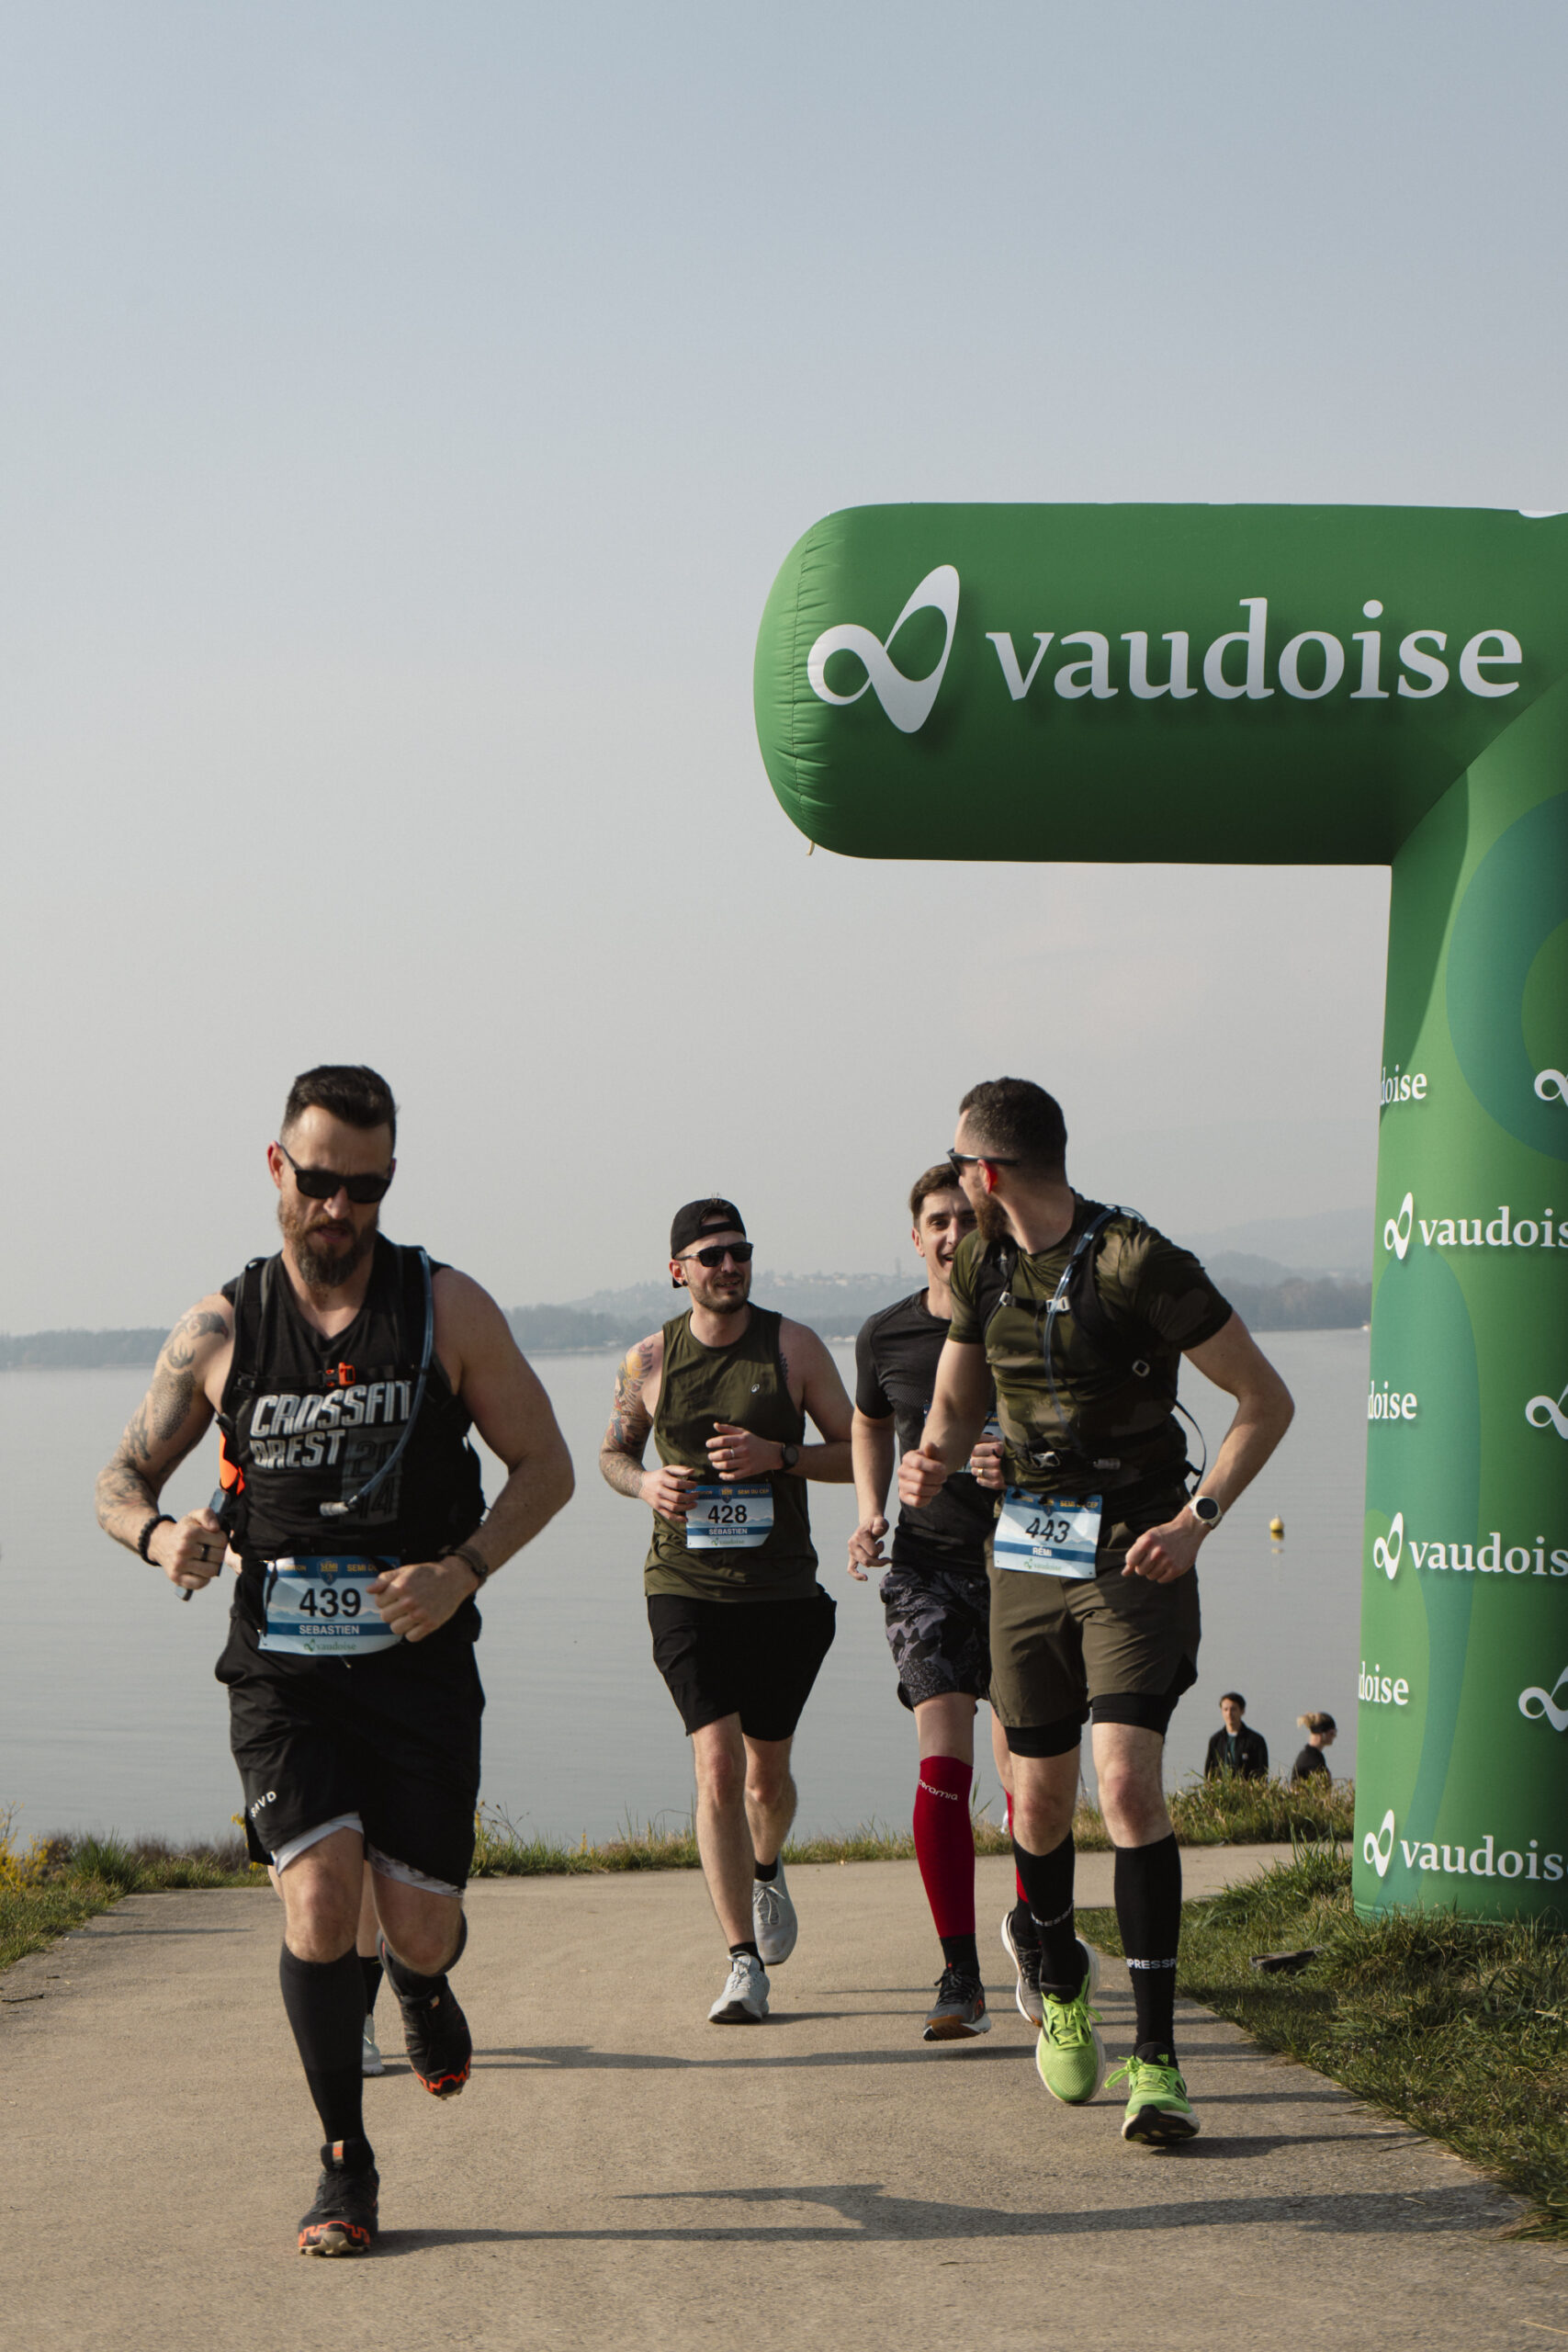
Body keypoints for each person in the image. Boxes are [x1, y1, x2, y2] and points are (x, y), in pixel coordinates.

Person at [95, 1066, 573, 2257]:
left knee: (417, 1926)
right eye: (317, 1182)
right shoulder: (221, 1329)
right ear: (277, 1168)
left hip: (417, 1664)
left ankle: (420, 1981)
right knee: (317, 1899)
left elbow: (548, 1467)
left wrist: (462, 1569)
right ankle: (344, 2164)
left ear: (388, 1181)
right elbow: (119, 1479)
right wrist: (159, 1536)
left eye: (363, 1188)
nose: (337, 1209)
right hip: (282, 1671)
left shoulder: (446, 1308)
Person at [899, 1078, 1294, 2145]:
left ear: (987, 1172)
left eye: (959, 1164)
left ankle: (1157, 2062)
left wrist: (1198, 1519)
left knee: (1123, 1785)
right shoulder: (981, 1265)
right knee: (1036, 1807)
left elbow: (1265, 1401)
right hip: (1027, 1551)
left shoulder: (1137, 1261)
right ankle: (1063, 1976)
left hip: (1134, 1550)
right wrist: (930, 1459)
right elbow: (954, 1405)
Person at [599, 1197, 852, 2025]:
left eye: (739, 1251)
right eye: (710, 1256)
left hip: (780, 1593)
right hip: (683, 1587)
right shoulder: (647, 1358)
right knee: (716, 1768)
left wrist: (778, 1454)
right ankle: (742, 1962)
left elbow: (858, 1451)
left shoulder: (792, 1347)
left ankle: (766, 1867)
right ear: (678, 1270)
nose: (728, 1266)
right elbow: (612, 1453)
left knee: (765, 1779)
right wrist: (646, 1483)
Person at [850, 1164, 1017, 2041]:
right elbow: (868, 1422)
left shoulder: (1024, 1318)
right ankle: (961, 1973)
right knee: (943, 1758)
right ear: (914, 1237)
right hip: (926, 1568)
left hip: (1026, 1565)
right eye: (937, 1222)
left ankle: (1039, 1937)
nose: (952, 1234)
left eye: (965, 1219)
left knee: (1025, 1768)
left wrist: (1015, 1462)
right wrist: (868, 1510)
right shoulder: (884, 1334)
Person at [1203, 1691, 1269, 1781]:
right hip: (1221, 1789)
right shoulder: (1216, 1740)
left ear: (1242, 1711)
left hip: (1247, 1789)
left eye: (1233, 1709)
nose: (1229, 1713)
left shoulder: (1255, 1740)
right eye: (1225, 1709)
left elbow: (1262, 1772)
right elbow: (1209, 1771)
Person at [1291, 1712, 1337, 1781]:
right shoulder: (1312, 1760)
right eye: (1332, 1733)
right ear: (1323, 1734)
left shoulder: (1310, 1755)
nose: (1334, 1736)